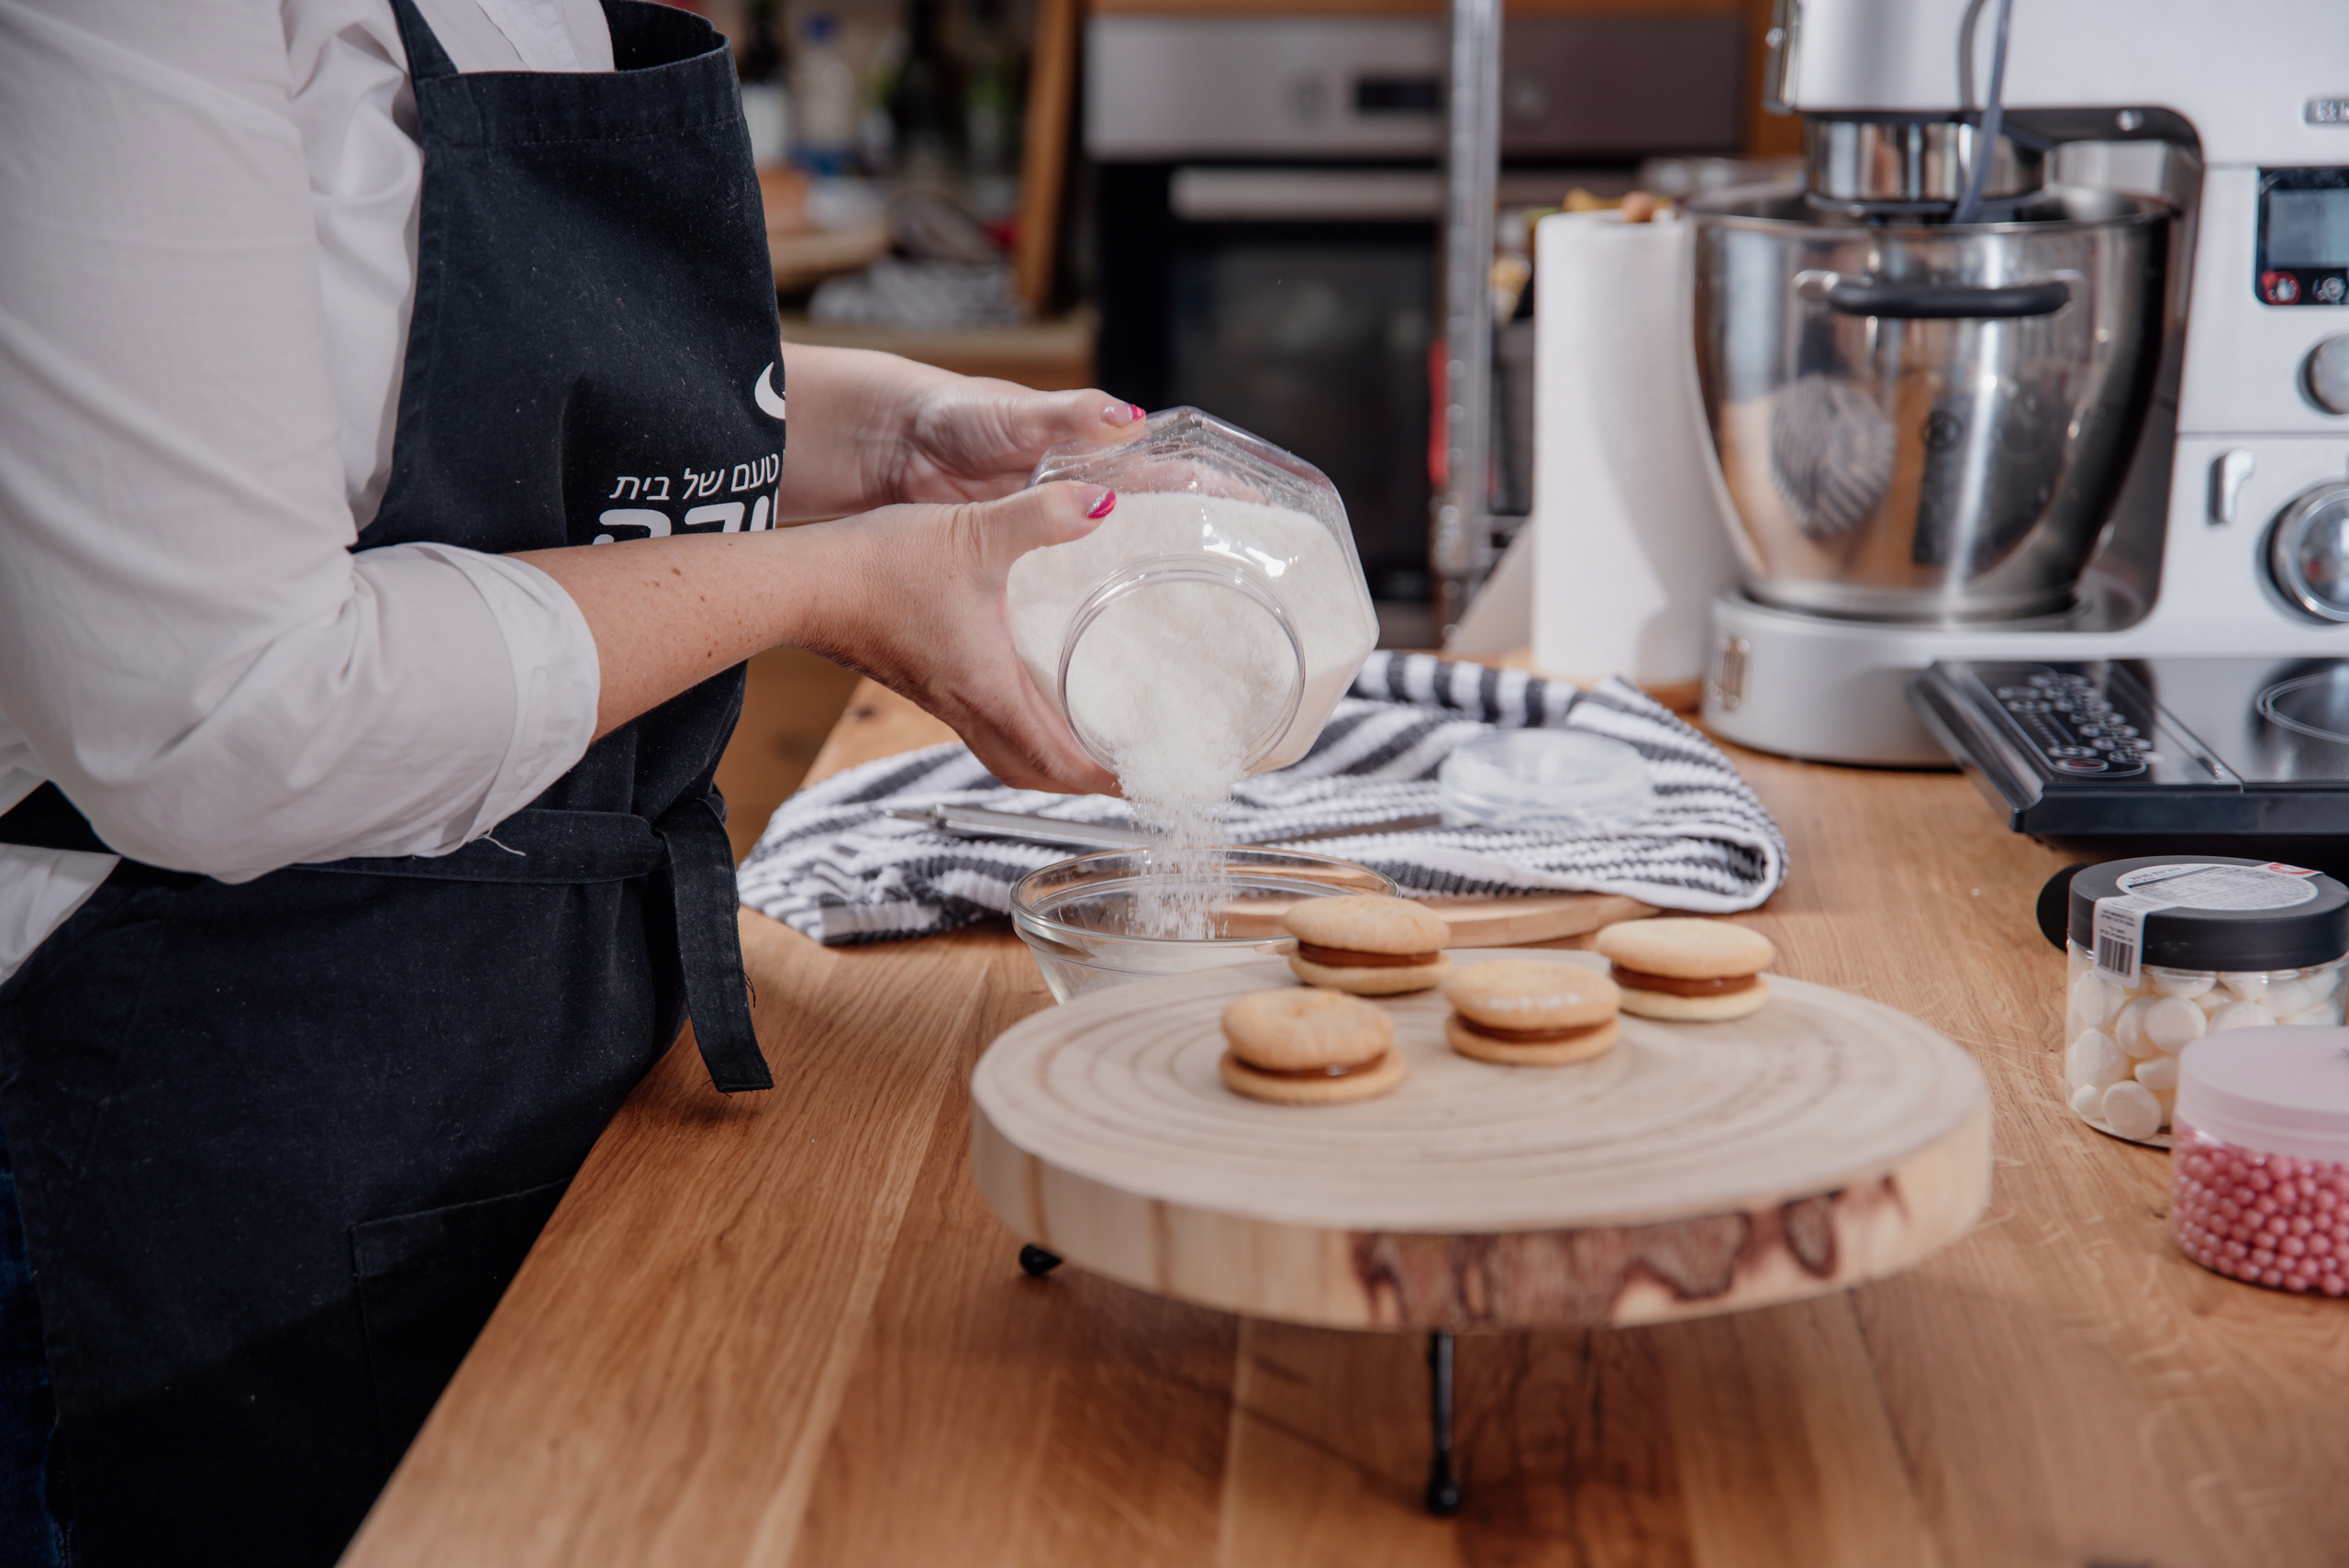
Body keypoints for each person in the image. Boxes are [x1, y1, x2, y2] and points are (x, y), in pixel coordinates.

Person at [0, 0, 1120, 1560]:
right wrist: (838, 585)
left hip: (527, 1053)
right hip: (197, 1125)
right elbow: (226, 710)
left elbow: (442, 376)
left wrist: (899, 441)